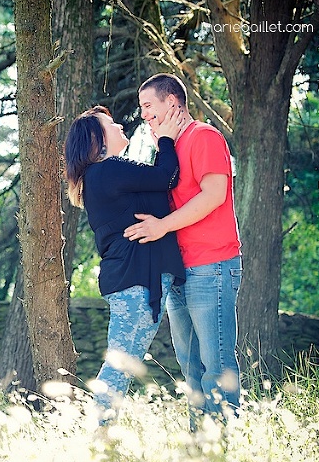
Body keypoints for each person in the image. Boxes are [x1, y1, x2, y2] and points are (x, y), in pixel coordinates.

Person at [124, 73, 243, 426]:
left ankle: (223, 450)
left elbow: (214, 195)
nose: (143, 114)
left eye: (149, 106)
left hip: (211, 266)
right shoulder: (169, 148)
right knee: (190, 368)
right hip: (178, 271)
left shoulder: (204, 137)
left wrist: (161, 226)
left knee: (216, 364)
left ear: (172, 103)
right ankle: (199, 450)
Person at [64, 105, 185, 423]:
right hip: (134, 281)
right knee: (121, 364)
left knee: (123, 362)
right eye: (110, 123)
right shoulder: (108, 170)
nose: (119, 126)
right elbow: (166, 177)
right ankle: (98, 435)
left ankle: (100, 433)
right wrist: (167, 140)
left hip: (131, 279)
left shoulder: (102, 175)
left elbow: (155, 185)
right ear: (97, 140)